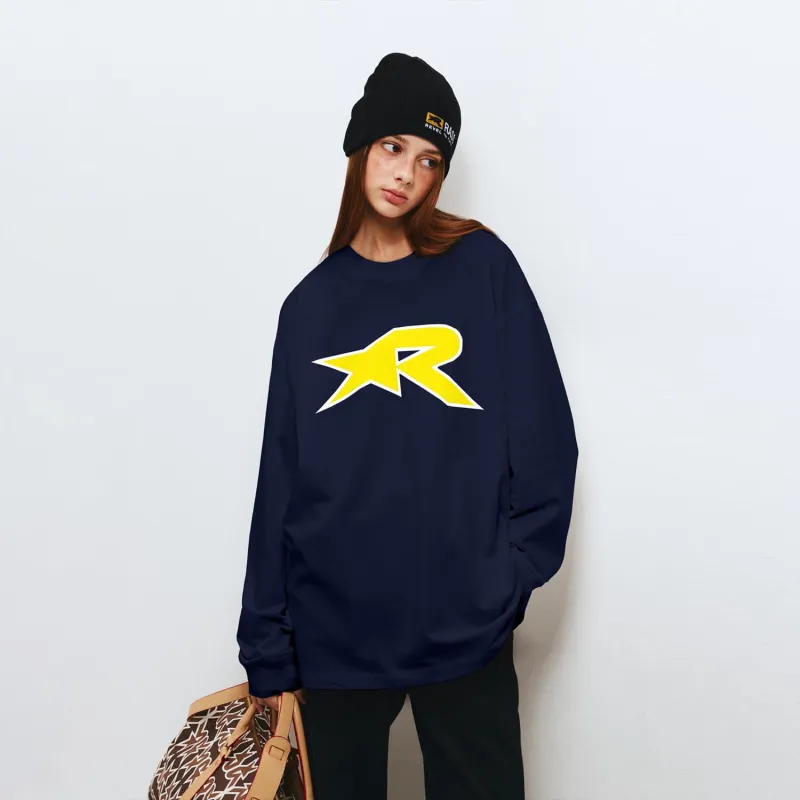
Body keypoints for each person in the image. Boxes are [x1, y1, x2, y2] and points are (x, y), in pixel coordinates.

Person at [236, 52, 579, 799]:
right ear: (361, 145)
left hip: (464, 627)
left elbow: (546, 439)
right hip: (335, 630)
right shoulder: (309, 309)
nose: (406, 174)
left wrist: (507, 579)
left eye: (429, 160)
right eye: (393, 146)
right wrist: (265, 641)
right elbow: (280, 481)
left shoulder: (482, 268)